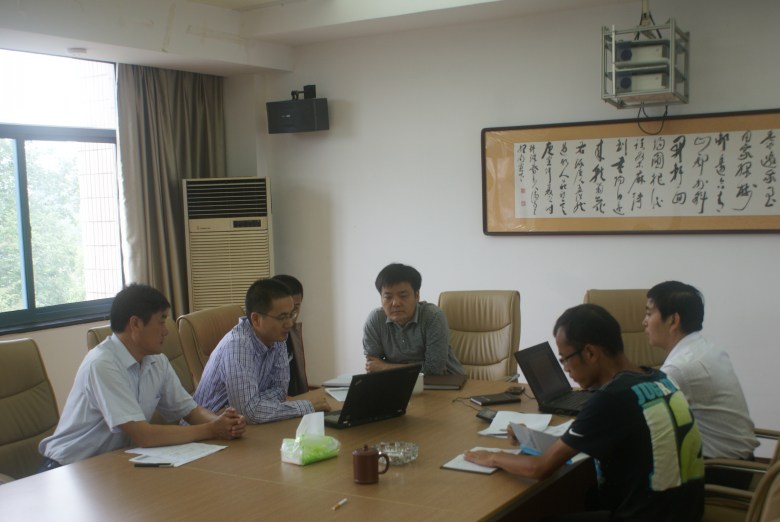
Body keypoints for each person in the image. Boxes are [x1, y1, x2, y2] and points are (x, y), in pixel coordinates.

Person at [465, 304, 704, 522]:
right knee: (586, 497)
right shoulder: (657, 378)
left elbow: (538, 469)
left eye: (565, 359)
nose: (566, 370)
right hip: (685, 513)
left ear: (590, 353)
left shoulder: (611, 399)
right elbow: (592, 438)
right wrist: (530, 439)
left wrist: (493, 457)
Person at [38, 284, 246, 470]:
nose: (166, 332)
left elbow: (189, 411)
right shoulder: (102, 364)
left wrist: (224, 424)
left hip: (114, 465)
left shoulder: (157, 361)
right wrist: (211, 430)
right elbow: (144, 436)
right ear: (135, 324)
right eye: (161, 322)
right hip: (68, 469)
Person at [644, 281, 759, 463]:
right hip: (741, 462)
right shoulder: (707, 349)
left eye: (649, 314)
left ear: (673, 320)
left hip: (719, 468)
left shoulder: (680, 367)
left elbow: (645, 421)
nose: (644, 322)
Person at [193, 278, 330, 423]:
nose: (289, 323)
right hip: (206, 428)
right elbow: (249, 412)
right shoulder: (238, 345)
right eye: (282, 317)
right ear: (256, 319)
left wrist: (253, 404)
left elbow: (281, 391)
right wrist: (306, 407)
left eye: (291, 314)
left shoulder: (278, 337)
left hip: (240, 424)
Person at [363, 263, 464, 376]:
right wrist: (382, 368)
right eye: (388, 297)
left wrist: (385, 367)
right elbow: (373, 365)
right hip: (396, 381)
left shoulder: (433, 316)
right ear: (381, 298)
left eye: (403, 296)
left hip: (444, 381)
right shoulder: (376, 319)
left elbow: (434, 369)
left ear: (417, 296)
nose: (395, 303)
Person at [272, 274, 309, 396]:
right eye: (285, 311)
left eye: (296, 308)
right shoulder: (266, 340)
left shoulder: (291, 333)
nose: (290, 318)